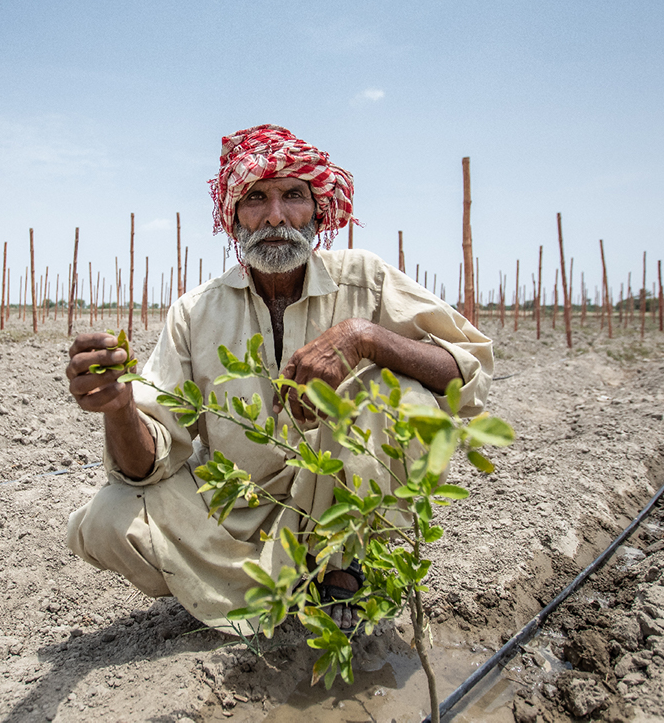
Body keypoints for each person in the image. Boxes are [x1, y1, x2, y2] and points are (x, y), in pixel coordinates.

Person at [66, 124, 492, 632]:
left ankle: (340, 567)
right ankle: (265, 584)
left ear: (317, 209)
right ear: (233, 216)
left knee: (405, 398)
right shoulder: (195, 312)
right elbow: (150, 461)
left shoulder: (365, 279)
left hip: (343, 504)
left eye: (293, 195)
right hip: (241, 512)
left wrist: (364, 337)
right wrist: (119, 409)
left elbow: (467, 371)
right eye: (255, 198)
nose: (274, 216)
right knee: (110, 518)